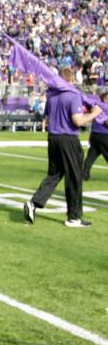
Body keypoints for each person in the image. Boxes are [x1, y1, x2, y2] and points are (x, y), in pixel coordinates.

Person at [24, 67, 103, 227]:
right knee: (74, 177)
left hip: (53, 138)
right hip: (68, 139)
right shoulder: (73, 95)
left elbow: (45, 119)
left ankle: (34, 203)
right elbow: (78, 121)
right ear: (71, 80)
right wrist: (95, 114)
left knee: (54, 174)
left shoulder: (52, 96)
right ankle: (74, 217)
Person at [83, 90, 108, 181]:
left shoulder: (97, 106)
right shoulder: (106, 107)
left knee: (91, 157)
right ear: (105, 99)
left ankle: (84, 174)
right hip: (104, 135)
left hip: (95, 134)